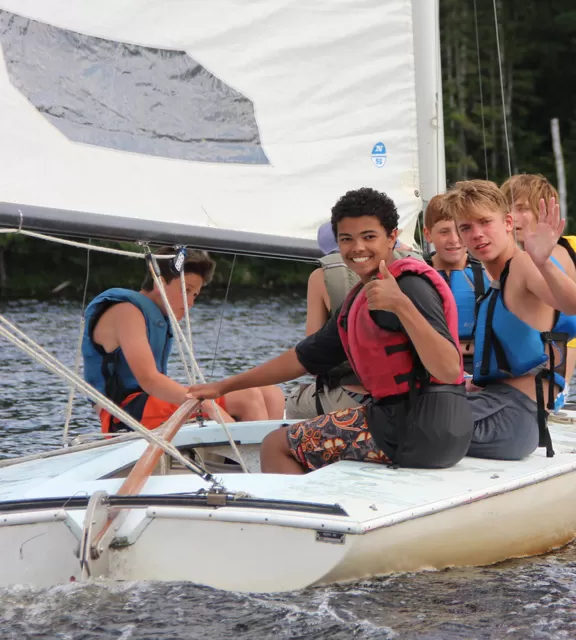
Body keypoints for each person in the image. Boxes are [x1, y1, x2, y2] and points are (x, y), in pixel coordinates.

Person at [188, 187, 473, 473]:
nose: (357, 248)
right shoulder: (360, 299)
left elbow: (449, 370)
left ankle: (300, 517)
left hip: (417, 428)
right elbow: (302, 358)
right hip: (419, 426)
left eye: (369, 237)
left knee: (276, 445)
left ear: (392, 237)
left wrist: (401, 306)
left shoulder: (410, 285)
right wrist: (223, 386)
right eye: (346, 239)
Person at [82, 247, 285, 433]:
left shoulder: (154, 315)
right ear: (159, 283)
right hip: (125, 414)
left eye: (195, 295)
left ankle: (263, 464)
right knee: (248, 398)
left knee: (272, 394)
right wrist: (207, 404)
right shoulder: (126, 312)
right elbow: (149, 379)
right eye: (185, 290)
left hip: (151, 404)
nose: (190, 303)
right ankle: (255, 463)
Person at [443, 180, 576, 460]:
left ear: (506, 222)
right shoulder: (496, 281)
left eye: (485, 222)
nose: (477, 234)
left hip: (510, 418)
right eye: (466, 227)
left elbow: (571, 304)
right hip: (495, 408)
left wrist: (543, 261)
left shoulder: (524, 264)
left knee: (382, 425)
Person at [501, 173, 576, 407]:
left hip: (556, 379)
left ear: (546, 212)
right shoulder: (519, 261)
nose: (512, 215)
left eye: (522, 208)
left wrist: (561, 387)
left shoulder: (553, 255)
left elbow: (565, 326)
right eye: (506, 207)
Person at [423, 193, 490, 372]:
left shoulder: (489, 272)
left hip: (479, 363)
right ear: (428, 234)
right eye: (444, 231)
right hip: (431, 366)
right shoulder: (416, 274)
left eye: (461, 230)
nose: (454, 239)